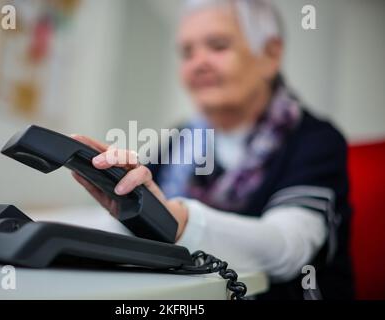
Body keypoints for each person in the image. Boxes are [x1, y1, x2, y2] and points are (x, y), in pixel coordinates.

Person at [71, 0, 354, 299]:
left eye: (218, 46)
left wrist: (177, 222)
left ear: (271, 54)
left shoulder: (315, 140)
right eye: (187, 53)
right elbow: (129, 219)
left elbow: (288, 248)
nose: (198, 63)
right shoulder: (179, 140)